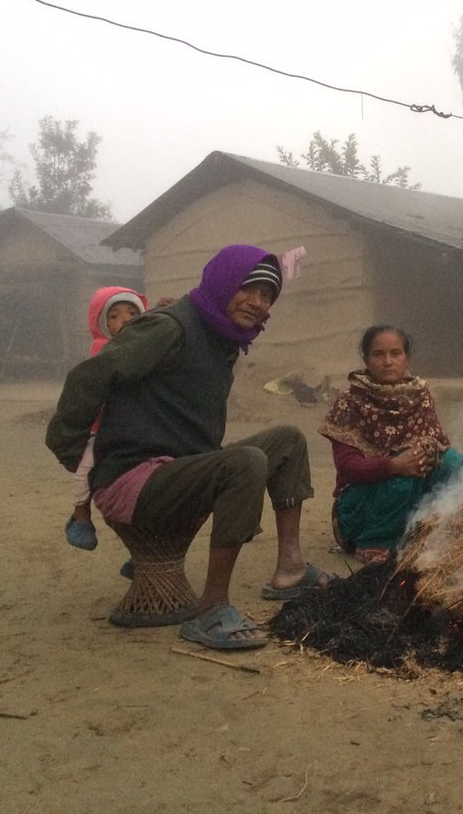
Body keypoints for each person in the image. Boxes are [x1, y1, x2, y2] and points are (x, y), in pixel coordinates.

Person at [46, 245, 330, 651]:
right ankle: (211, 609)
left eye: (267, 295)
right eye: (247, 288)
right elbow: (89, 377)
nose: (257, 302)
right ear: (222, 283)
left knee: (287, 440)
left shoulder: (220, 335)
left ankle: (291, 568)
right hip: (131, 477)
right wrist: (75, 455)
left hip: (179, 467)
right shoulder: (171, 327)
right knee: (245, 462)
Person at [318, 325, 463, 564]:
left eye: (395, 353)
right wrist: (394, 465)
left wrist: (428, 456)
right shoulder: (351, 401)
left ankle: (443, 529)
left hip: (409, 499)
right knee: (402, 480)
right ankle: (374, 541)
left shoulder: (420, 395)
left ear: (406, 357)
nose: (388, 361)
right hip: (359, 509)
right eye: (378, 354)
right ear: (366, 359)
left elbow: (436, 445)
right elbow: (348, 467)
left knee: (454, 463)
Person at [63, 286, 148, 553]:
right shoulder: (103, 349)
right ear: (102, 323)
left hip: (137, 429)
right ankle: (81, 514)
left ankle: (143, 547)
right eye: (114, 316)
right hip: (103, 430)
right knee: (85, 467)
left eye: (133, 313)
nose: (125, 320)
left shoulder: (148, 346)